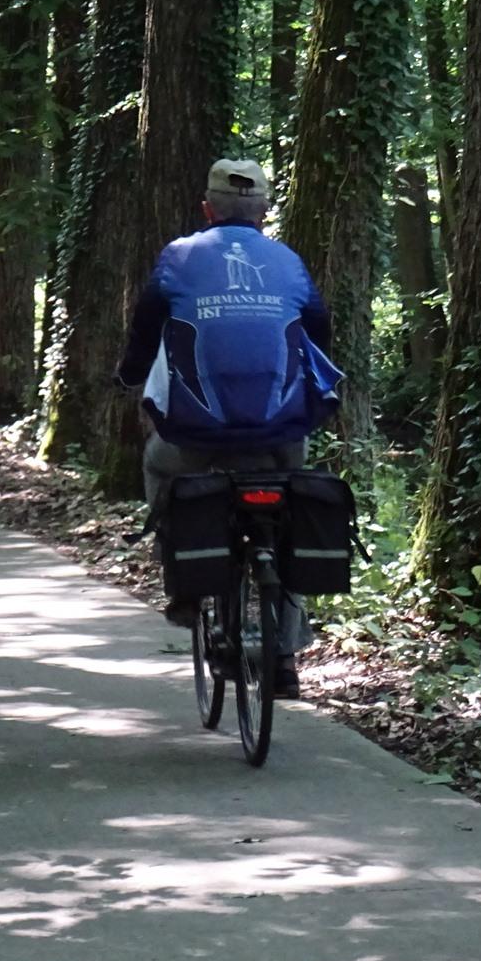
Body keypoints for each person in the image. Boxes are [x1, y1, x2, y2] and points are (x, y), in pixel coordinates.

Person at [114, 158, 340, 700]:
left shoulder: (180, 257)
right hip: (278, 429)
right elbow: (320, 327)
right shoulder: (286, 260)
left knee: (160, 466)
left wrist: (129, 377)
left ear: (206, 209)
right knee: (283, 527)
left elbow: (146, 330)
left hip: (197, 432)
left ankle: (185, 582)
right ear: (264, 212)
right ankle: (284, 661)